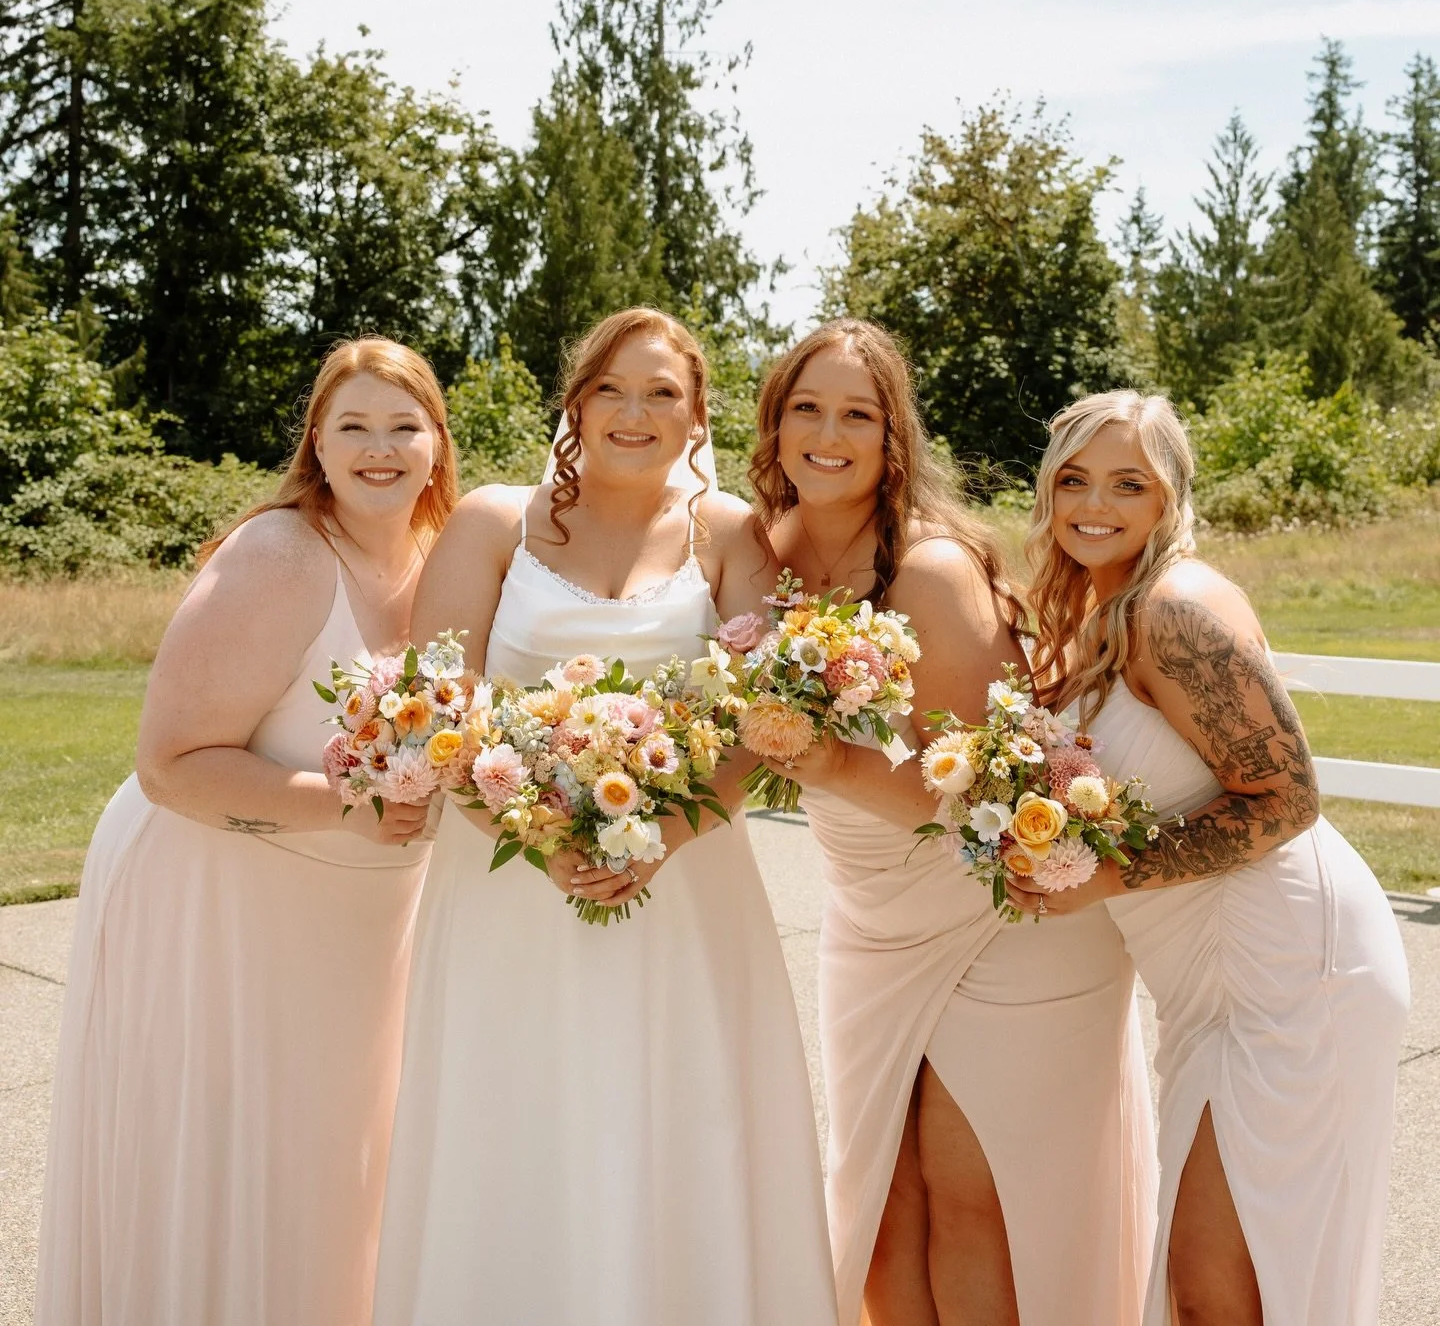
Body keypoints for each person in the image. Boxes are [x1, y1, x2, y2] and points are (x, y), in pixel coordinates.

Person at [371, 306, 837, 1326]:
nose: (635, 413)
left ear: (697, 413)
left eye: (662, 392)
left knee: (679, 1106)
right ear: (576, 402)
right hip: (504, 877)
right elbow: (436, 702)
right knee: (515, 1107)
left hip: (686, 875)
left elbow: (763, 722)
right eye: (612, 389)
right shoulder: (499, 521)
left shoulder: (729, 536)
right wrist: (540, 841)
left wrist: (659, 838)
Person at [34, 337, 457, 1326]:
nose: (380, 449)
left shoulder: (444, 567)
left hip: (349, 917)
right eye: (353, 426)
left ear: (439, 441)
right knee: (230, 1156)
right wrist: (355, 806)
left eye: (404, 426)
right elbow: (172, 762)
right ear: (316, 441)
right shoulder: (279, 557)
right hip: (214, 893)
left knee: (330, 1166)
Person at [744, 320, 1154, 1326]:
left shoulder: (925, 569)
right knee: (883, 1201)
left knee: (979, 1203)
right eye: (807, 407)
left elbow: (979, 790)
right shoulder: (759, 552)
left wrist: (828, 761)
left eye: (858, 414)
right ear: (774, 422)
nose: (828, 434)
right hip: (871, 913)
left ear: (895, 438)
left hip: (996, 912)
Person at [1013, 389, 1410, 1326]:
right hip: (1208, 982)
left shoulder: (1172, 608)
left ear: (1169, 498)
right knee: (1217, 1285)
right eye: (1073, 480)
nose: (1094, 505)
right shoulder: (1099, 611)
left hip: (1290, 970)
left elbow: (1290, 797)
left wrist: (1107, 875)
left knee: (1225, 1284)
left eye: (1127, 484)